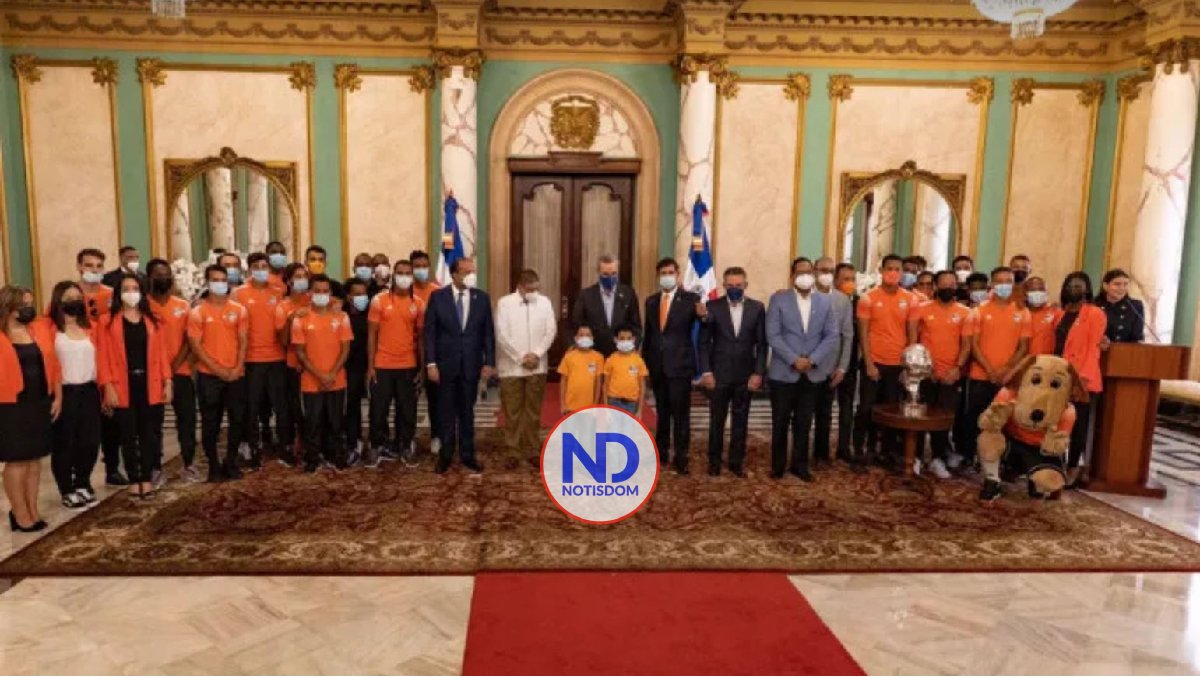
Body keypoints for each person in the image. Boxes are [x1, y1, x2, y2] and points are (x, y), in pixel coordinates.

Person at [766, 258, 840, 481]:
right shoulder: (778, 299)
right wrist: (793, 359)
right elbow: (773, 335)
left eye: (809, 272)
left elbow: (832, 335)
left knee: (804, 423)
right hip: (783, 373)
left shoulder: (825, 302)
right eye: (800, 272)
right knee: (780, 422)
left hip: (812, 373)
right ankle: (778, 466)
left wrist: (813, 359)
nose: (805, 276)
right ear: (792, 276)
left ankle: (800, 465)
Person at [99, 275, 172, 499]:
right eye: (126, 288)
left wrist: (167, 381)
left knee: (149, 433)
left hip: (150, 382)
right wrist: (107, 385)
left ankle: (147, 478)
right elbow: (102, 357)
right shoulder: (107, 322)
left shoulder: (154, 320)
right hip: (122, 383)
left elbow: (162, 354)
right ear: (118, 293)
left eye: (135, 288)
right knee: (128, 434)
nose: (131, 292)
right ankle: (134, 477)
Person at [424, 257, 495, 474]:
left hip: (471, 366)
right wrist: (431, 363)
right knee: (446, 412)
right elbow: (430, 333)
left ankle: (467, 454)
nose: (471, 275)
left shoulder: (481, 298)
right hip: (445, 365)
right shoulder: (438, 297)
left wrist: (489, 362)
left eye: (473, 271)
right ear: (454, 274)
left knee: (467, 412)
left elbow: (488, 334)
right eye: (466, 271)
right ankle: (445, 455)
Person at [0, 285, 59, 532]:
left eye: (30, 303)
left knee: (35, 460)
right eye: (24, 304)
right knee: (17, 461)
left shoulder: (37, 330)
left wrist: (57, 397)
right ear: (9, 308)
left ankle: (33, 510)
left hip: (39, 401)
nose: (29, 308)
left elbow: (53, 364)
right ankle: (19, 513)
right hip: (10, 404)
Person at [699, 266, 767, 478]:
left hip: (745, 375)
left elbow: (762, 344)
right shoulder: (712, 307)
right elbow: (703, 343)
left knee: (741, 421)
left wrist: (758, 372)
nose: (734, 289)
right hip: (719, 374)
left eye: (738, 285)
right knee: (716, 421)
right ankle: (714, 462)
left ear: (745, 285)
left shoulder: (757, 308)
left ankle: (736, 462)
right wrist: (706, 372)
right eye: (730, 286)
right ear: (724, 286)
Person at [853, 254, 917, 472]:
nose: (893, 272)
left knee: (892, 410)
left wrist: (908, 367)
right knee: (866, 408)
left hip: (897, 364)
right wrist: (869, 363)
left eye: (897, 269)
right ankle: (861, 449)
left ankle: (887, 451)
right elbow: (863, 334)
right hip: (874, 361)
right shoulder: (868, 298)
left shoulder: (910, 299)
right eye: (889, 268)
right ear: (881, 271)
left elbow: (912, 335)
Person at [642, 257, 706, 476]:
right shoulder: (650, 301)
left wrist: (703, 316)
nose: (667, 276)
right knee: (662, 412)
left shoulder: (691, 299)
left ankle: (682, 457)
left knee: (681, 415)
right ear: (658, 276)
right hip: (657, 366)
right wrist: (645, 365)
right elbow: (649, 334)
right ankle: (661, 453)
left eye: (671, 272)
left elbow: (703, 325)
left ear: (678, 275)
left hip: (680, 366)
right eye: (663, 273)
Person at [963, 266, 1031, 469]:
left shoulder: (1022, 312)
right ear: (992, 285)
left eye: (1008, 281)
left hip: (1008, 377)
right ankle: (972, 456)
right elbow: (973, 345)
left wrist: (1007, 370)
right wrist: (990, 370)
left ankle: (1001, 460)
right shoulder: (979, 311)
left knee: (1006, 422)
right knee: (977, 418)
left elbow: (1024, 346)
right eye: (999, 281)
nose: (1004, 285)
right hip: (981, 375)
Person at [906, 270, 971, 478]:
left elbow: (967, 345)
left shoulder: (964, 312)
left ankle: (938, 459)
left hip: (951, 375)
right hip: (924, 374)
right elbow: (913, 340)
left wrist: (956, 368)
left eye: (952, 285)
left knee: (942, 420)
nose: (949, 289)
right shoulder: (921, 309)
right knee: (918, 417)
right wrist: (924, 368)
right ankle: (915, 458)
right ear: (935, 286)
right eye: (944, 285)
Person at [188, 265, 249, 482]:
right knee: (210, 422)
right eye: (215, 279)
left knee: (238, 420)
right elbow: (196, 347)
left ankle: (231, 461)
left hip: (236, 374)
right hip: (209, 376)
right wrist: (219, 370)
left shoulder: (239, 310)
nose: (220, 283)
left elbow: (243, 340)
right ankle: (213, 464)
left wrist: (236, 367)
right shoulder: (198, 312)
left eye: (223, 279)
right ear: (207, 282)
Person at [231, 252, 291, 471]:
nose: (261, 269)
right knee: (252, 407)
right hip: (252, 359)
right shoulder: (238, 294)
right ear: (249, 270)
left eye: (264, 266)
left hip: (277, 358)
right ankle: (253, 448)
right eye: (257, 266)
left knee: (281, 406)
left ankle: (285, 447)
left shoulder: (279, 291)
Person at [45, 282, 101, 509]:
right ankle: (66, 488)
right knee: (64, 443)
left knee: (89, 440)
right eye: (68, 297)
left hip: (89, 389)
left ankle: (83, 482)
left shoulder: (91, 327)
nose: (74, 301)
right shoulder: (49, 329)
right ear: (58, 300)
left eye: (78, 297)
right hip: (64, 391)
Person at [366, 259, 426, 467]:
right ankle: (377, 446)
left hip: (408, 365)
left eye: (408, 273)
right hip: (382, 365)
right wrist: (370, 366)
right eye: (400, 272)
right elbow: (372, 334)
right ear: (393, 275)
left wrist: (422, 368)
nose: (404, 276)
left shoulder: (418, 303)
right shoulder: (378, 301)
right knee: (378, 410)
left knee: (407, 410)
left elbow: (421, 338)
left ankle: (405, 445)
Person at [496, 269, 556, 469]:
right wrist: (520, 357)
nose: (534, 293)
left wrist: (537, 354)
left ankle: (532, 450)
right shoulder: (505, 303)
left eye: (536, 289)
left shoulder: (545, 302)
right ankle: (512, 451)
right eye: (530, 289)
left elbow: (551, 330)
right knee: (512, 411)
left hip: (537, 367)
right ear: (520, 286)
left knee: (533, 411)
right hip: (511, 367)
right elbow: (502, 334)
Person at [292, 275, 353, 473]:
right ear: (309, 293)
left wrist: (331, 373)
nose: (321, 294)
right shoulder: (301, 318)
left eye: (325, 290)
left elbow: (345, 349)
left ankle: (338, 457)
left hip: (337, 379)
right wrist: (320, 375)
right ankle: (312, 459)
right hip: (311, 381)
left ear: (330, 293)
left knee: (336, 422)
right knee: (313, 422)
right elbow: (300, 352)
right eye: (317, 291)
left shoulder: (341, 317)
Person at [146, 259, 200, 483]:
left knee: (186, 420)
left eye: (166, 274)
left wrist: (174, 366)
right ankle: (154, 467)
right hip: (153, 374)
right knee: (152, 424)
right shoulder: (144, 306)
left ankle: (189, 463)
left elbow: (190, 340)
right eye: (158, 275)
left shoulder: (183, 306)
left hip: (181, 371)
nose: (163, 278)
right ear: (149, 278)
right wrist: (161, 369)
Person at [1053, 271, 1107, 488]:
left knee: (1078, 425)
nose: (1074, 289)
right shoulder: (1060, 313)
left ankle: (1074, 466)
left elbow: (1093, 348)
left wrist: (1081, 380)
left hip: (1082, 379)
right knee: (1059, 422)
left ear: (1087, 289)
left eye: (1079, 285)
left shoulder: (1094, 313)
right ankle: (1057, 463)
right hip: (1059, 376)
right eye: (1071, 285)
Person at [78, 248, 126, 487]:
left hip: (109, 362)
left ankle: (112, 468)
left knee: (112, 423)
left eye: (98, 266)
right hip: (80, 366)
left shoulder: (111, 295)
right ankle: (81, 477)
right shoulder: (71, 295)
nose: (94, 271)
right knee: (84, 428)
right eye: (89, 266)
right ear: (79, 267)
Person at [812, 257, 854, 469]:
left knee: (825, 414)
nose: (826, 274)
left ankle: (821, 454)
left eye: (830, 270)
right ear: (814, 271)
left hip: (831, 367)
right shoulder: (805, 296)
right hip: (807, 366)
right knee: (803, 414)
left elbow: (847, 336)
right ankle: (801, 454)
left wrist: (842, 367)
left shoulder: (842, 300)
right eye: (822, 270)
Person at [274, 263, 311, 466]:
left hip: (316, 364)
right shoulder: (283, 306)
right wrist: (290, 320)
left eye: (304, 276)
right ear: (288, 281)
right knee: (296, 407)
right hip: (294, 365)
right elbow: (283, 341)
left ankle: (314, 443)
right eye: (297, 276)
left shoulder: (314, 300)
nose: (302, 280)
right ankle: (294, 445)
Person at [572, 254, 642, 357]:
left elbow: (636, 326)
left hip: (622, 356)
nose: (610, 278)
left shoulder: (628, 294)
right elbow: (576, 324)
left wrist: (631, 348)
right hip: (592, 355)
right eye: (605, 274)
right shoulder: (586, 295)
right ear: (598, 273)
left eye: (614, 274)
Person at [410, 249, 442, 454]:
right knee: (408, 399)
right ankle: (409, 436)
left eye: (424, 266)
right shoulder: (403, 291)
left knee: (435, 398)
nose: (421, 270)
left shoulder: (438, 291)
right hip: (409, 353)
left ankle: (437, 436)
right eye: (417, 266)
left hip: (433, 352)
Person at [342, 278, 370, 463]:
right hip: (345, 367)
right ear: (348, 296)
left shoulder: (371, 316)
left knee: (369, 407)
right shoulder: (341, 316)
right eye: (357, 294)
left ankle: (365, 442)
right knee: (348, 407)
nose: (361, 298)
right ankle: (350, 442)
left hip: (367, 368)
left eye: (364, 294)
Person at [602, 324, 647, 416]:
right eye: (622, 338)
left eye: (628, 338)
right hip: (614, 402)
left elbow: (642, 387)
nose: (625, 341)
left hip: (631, 404)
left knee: (628, 430)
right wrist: (606, 408)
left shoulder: (638, 360)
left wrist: (640, 410)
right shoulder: (611, 359)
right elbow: (605, 385)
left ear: (633, 339)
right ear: (616, 340)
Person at [558, 324, 604, 414]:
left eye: (588, 335)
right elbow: (563, 381)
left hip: (589, 407)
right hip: (570, 406)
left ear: (592, 338)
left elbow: (598, 383)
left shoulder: (598, 357)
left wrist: (595, 404)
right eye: (581, 335)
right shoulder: (568, 357)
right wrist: (563, 404)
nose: (585, 338)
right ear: (575, 338)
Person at [1095, 268, 1146, 344]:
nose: (1122, 288)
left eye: (1125, 284)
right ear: (1105, 286)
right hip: (1097, 353)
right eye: (1117, 284)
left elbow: (1137, 337)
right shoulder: (1093, 306)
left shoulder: (1135, 306)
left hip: (1126, 353)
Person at [1024, 276, 1057, 356]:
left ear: (1046, 292)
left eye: (1041, 289)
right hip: (1024, 364)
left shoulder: (1055, 312)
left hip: (1048, 363)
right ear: (1025, 293)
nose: (1037, 293)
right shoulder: (1020, 314)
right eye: (1033, 290)